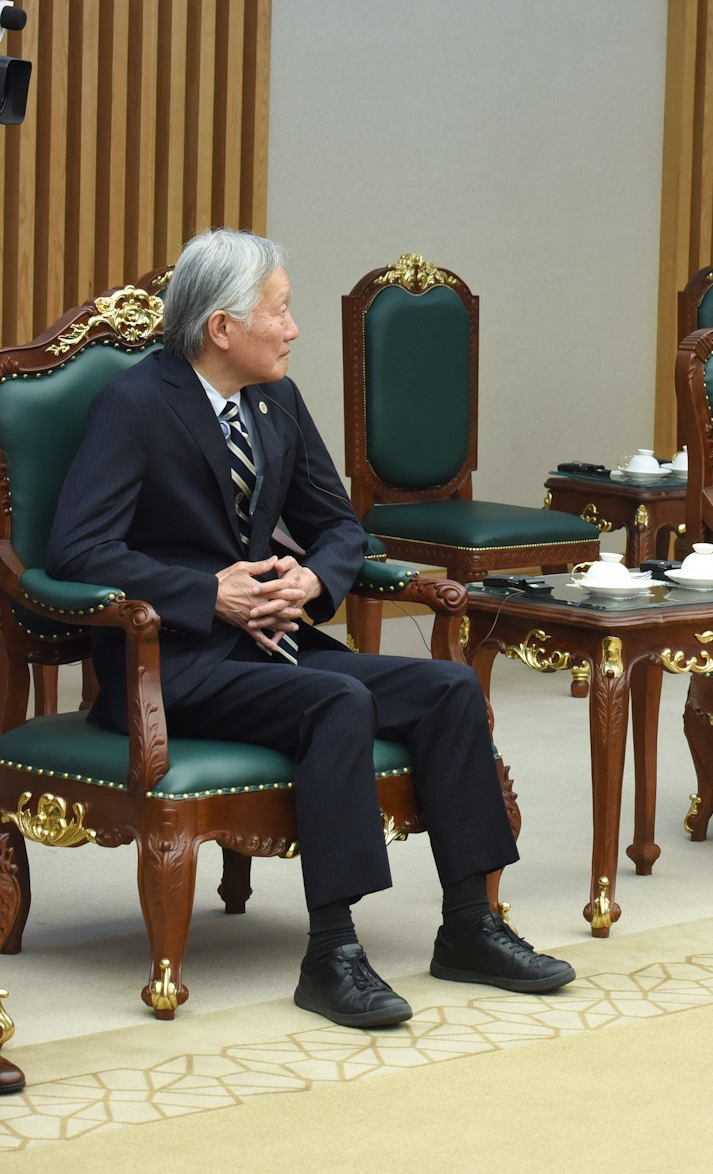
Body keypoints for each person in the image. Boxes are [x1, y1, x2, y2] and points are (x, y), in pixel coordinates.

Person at [45, 229, 574, 1028]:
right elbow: (78, 547)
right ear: (221, 327)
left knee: (448, 688)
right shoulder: (135, 404)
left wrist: (312, 578)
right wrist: (205, 592)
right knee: (335, 703)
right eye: (280, 311)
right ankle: (332, 953)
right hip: (171, 666)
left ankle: (469, 924)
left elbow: (339, 527)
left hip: (272, 649)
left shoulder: (275, 399)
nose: (294, 329)